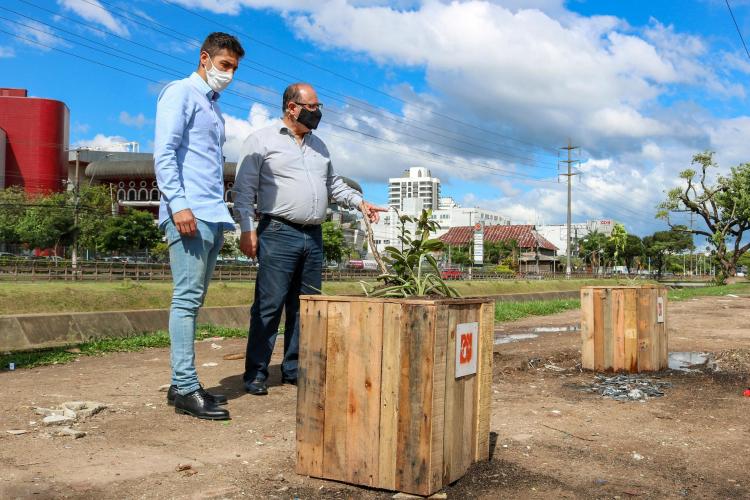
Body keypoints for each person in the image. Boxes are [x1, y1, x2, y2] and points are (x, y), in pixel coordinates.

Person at [233, 82, 385, 395]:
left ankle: (293, 368)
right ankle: (257, 373)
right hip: (278, 232)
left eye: (318, 107)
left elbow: (336, 187)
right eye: (313, 107)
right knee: (268, 305)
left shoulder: (320, 146)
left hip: (313, 236)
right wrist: (247, 229)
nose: (318, 113)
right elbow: (244, 191)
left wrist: (360, 202)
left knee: (306, 307)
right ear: (292, 107)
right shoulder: (261, 140)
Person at [154, 32, 245, 419]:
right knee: (186, 300)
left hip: (213, 215)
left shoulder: (214, 107)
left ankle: (182, 383)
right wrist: (178, 204)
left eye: (234, 69)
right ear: (204, 58)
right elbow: (165, 153)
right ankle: (187, 388)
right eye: (225, 65)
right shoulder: (180, 93)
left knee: (195, 301)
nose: (229, 74)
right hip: (189, 213)